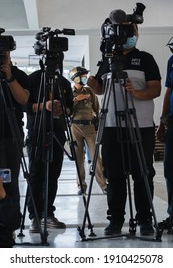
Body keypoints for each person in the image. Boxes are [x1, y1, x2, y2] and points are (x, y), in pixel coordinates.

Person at [87, 23, 161, 236]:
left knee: (143, 173)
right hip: (111, 125)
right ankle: (116, 220)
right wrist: (94, 85)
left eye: (134, 33)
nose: (131, 36)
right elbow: (101, 89)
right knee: (115, 175)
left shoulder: (145, 58)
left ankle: (145, 219)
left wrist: (137, 93)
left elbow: (155, 88)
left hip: (141, 125)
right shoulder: (107, 60)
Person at [25, 59, 73, 233]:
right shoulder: (33, 79)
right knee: (36, 174)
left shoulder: (64, 82)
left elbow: (70, 108)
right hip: (37, 131)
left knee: (53, 175)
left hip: (57, 132)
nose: (54, 64)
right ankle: (35, 216)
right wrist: (44, 106)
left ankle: (48, 214)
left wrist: (63, 111)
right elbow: (25, 105)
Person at [0, 50, 30, 246]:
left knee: (8, 182)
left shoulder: (18, 74)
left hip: (10, 137)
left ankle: (8, 228)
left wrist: (9, 77)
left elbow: (24, 100)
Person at [70, 66, 107, 195]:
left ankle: (103, 185)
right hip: (75, 128)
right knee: (79, 158)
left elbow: (96, 109)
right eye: (83, 76)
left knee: (96, 157)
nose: (85, 78)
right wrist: (75, 100)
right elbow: (66, 110)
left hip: (90, 128)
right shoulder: (69, 93)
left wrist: (98, 121)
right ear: (76, 78)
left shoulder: (89, 91)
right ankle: (81, 185)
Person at [156, 37, 173, 230]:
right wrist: (162, 123)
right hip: (172, 124)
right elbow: (168, 90)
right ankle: (172, 216)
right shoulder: (172, 61)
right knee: (170, 171)